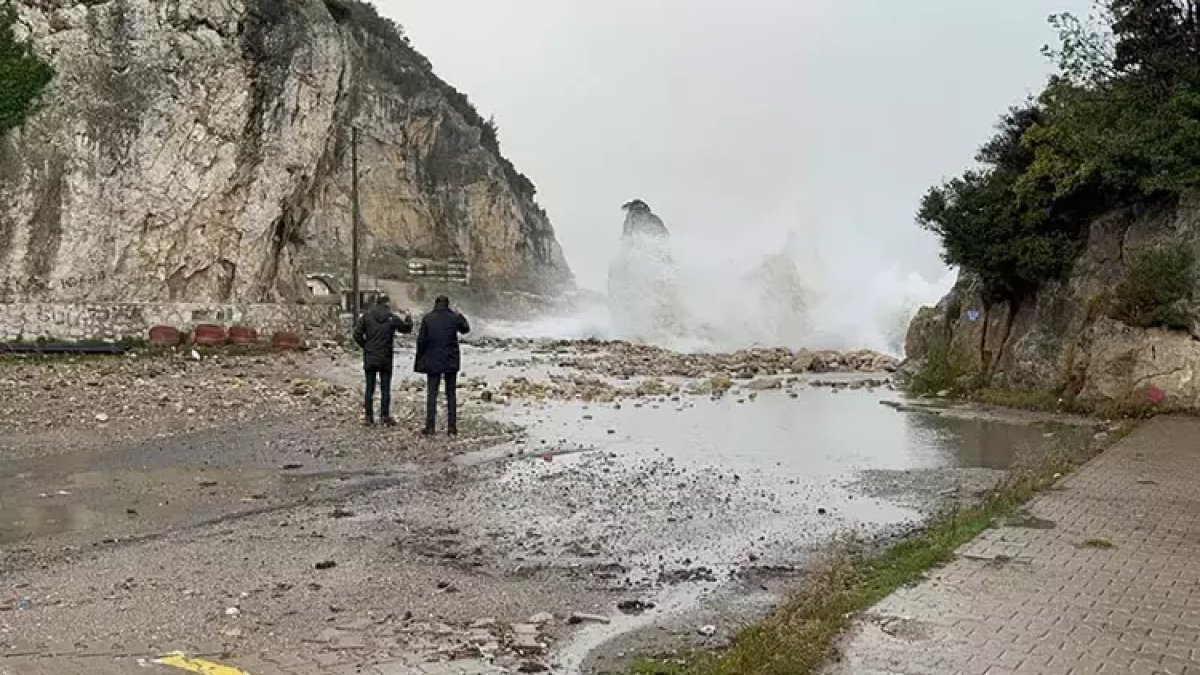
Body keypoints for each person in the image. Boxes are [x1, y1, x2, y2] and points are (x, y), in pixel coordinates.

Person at [353, 295, 413, 426]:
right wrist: (408, 316)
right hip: (386, 357)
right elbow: (406, 329)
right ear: (387, 304)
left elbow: (356, 334)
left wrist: (366, 346)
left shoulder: (366, 316)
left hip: (370, 356)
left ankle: (369, 417)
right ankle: (385, 416)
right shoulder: (391, 317)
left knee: (370, 388)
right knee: (385, 388)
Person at [414, 295, 470, 436]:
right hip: (450, 360)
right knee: (451, 394)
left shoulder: (428, 318)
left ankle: (430, 426)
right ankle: (452, 427)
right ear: (448, 304)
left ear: (435, 304)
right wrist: (460, 315)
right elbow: (465, 329)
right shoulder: (454, 318)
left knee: (432, 394)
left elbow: (421, 341)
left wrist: (420, 359)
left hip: (433, 360)